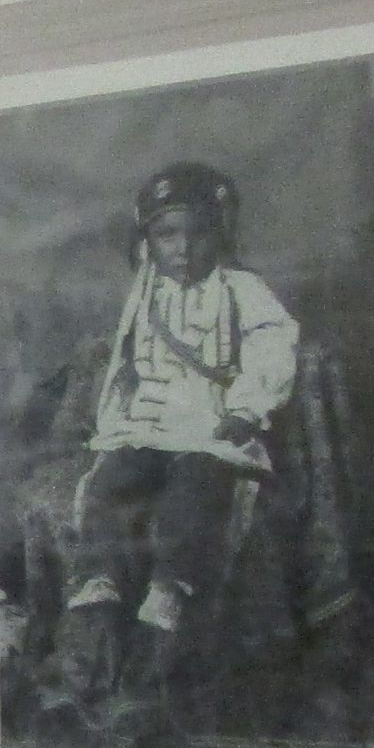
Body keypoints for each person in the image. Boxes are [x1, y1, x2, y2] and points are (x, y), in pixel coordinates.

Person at [67, 161, 297, 691]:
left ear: (222, 234)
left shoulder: (241, 289)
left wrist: (245, 410)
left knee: (195, 485)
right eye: (167, 235)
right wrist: (118, 416)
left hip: (209, 424)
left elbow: (272, 345)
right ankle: (100, 575)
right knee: (112, 480)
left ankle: (171, 583)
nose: (184, 248)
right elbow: (126, 361)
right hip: (150, 423)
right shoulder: (146, 292)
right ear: (147, 242)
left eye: (199, 234)